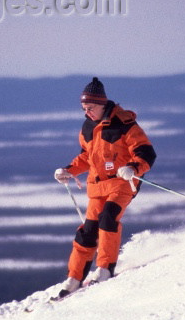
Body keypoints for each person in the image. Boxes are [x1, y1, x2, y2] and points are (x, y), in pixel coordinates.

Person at [53, 77, 156, 297]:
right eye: (84, 108)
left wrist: (133, 168)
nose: (87, 112)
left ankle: (105, 268)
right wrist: (69, 170)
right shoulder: (88, 127)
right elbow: (87, 156)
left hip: (122, 182)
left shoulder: (124, 122)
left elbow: (146, 152)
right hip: (97, 186)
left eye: (90, 108)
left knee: (108, 218)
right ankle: (74, 277)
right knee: (87, 231)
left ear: (102, 104)